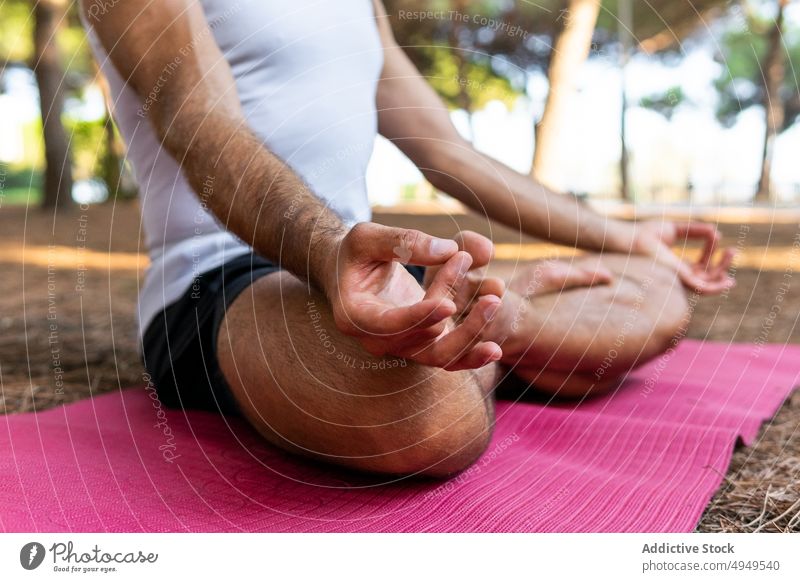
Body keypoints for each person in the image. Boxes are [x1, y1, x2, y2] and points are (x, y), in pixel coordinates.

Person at [80, 0, 734, 477]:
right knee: (431, 424)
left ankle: (496, 322)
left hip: (371, 275)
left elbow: (446, 149)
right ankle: (495, 338)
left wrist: (626, 236)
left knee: (657, 292)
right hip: (219, 282)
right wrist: (327, 250)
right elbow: (196, 116)